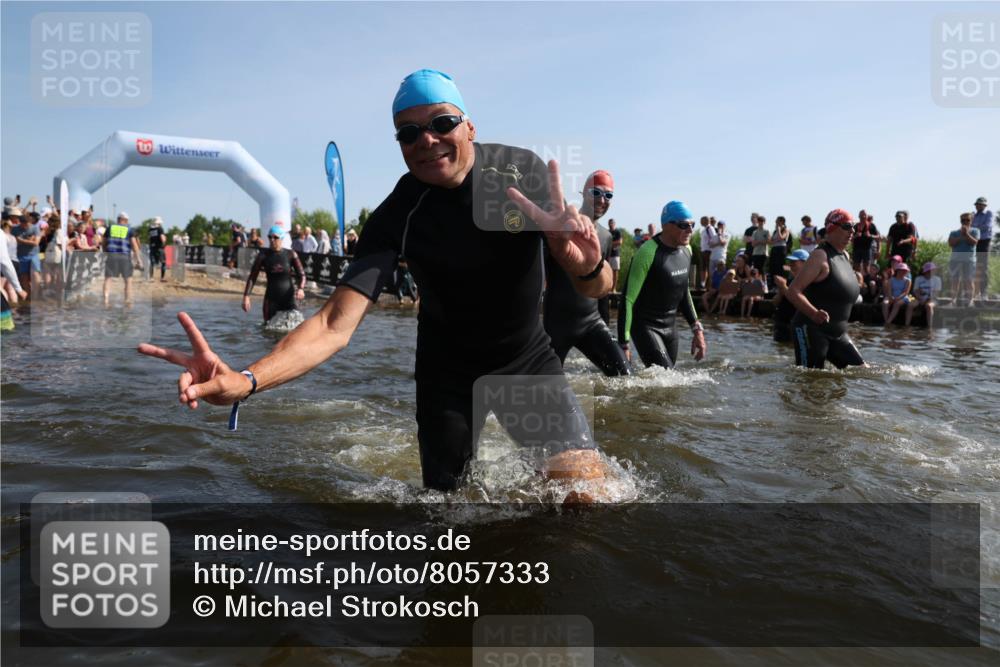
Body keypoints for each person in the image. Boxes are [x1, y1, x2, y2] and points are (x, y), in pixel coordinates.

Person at [139, 69, 613, 495]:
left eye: (441, 123)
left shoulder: (522, 173)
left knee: (586, 493)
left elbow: (597, 289)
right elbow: (332, 326)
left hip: (525, 360)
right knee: (446, 518)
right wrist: (247, 380)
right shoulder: (397, 214)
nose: (427, 140)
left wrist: (586, 266)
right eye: (409, 133)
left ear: (470, 125)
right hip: (446, 375)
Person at [543, 170, 628, 377]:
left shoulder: (606, 236)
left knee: (623, 376)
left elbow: (602, 290)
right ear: (583, 193)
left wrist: (612, 334)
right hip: (556, 324)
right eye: (596, 192)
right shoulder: (563, 226)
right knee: (543, 390)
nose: (602, 199)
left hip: (591, 322)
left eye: (608, 195)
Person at [617, 200, 707, 368]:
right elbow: (627, 300)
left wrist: (697, 329)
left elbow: (684, 292)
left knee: (667, 382)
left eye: (692, 225)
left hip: (670, 326)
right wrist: (624, 343)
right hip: (646, 326)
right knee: (663, 376)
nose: (690, 230)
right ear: (667, 226)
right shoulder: (647, 253)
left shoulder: (687, 250)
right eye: (683, 225)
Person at [786, 209, 865, 369]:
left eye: (854, 227)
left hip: (838, 334)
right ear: (831, 228)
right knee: (810, 379)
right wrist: (813, 313)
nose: (852, 231)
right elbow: (793, 291)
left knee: (862, 373)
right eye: (847, 226)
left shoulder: (845, 256)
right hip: (810, 328)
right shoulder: (820, 256)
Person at [242, 225, 306, 322]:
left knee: (295, 329)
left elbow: (302, 275)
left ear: (281, 239)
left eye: (275, 237)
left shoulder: (290, 254)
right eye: (270, 237)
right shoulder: (263, 255)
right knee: (268, 330)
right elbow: (252, 277)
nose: (272, 240)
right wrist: (246, 296)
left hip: (289, 299)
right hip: (271, 299)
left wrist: (301, 288)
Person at [103, 212, 141, 305]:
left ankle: (105, 300)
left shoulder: (110, 228)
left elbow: (103, 242)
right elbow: (134, 245)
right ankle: (127, 301)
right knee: (128, 280)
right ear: (126, 220)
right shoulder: (129, 229)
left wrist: (105, 253)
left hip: (111, 255)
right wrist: (138, 259)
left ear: (118, 219)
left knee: (108, 278)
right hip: (125, 257)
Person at [772, 249, 808, 342]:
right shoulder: (789, 281)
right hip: (781, 325)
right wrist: (781, 289)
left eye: (794, 262)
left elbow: (798, 302)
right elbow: (775, 302)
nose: (791, 264)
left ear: (805, 263)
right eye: (790, 262)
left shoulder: (809, 283)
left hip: (796, 327)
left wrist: (783, 287)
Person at [948, 212, 980, 307]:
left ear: (971, 220)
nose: (965, 222)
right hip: (955, 260)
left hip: (969, 260)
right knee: (955, 280)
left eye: (967, 220)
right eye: (963, 220)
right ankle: (952, 300)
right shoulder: (954, 232)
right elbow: (951, 243)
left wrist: (966, 234)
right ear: (960, 221)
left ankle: (970, 300)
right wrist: (961, 236)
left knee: (969, 280)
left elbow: (974, 242)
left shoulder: (975, 231)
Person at [11, 208, 41, 298]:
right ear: (20, 222)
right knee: (24, 277)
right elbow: (14, 241)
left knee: (35, 275)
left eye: (27, 224)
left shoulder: (35, 228)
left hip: (33, 255)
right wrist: (28, 240)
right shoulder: (15, 229)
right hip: (21, 256)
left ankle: (36, 295)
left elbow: (36, 243)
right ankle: (28, 296)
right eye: (24, 224)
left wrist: (21, 240)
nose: (26, 226)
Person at [971, 196, 993, 302]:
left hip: (984, 242)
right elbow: (970, 228)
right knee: (972, 267)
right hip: (974, 242)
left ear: (984, 205)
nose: (978, 206)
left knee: (983, 267)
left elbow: (986, 226)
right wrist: (976, 227)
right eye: (977, 204)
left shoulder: (988, 214)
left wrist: (974, 227)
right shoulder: (973, 215)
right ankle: (974, 292)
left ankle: (984, 293)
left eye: (980, 204)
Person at [907, 262, 941, 327]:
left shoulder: (937, 279)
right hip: (919, 298)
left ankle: (929, 326)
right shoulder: (918, 278)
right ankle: (907, 325)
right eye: (929, 271)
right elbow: (915, 291)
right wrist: (919, 298)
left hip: (932, 299)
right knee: (910, 305)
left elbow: (936, 293)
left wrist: (927, 299)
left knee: (929, 306)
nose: (930, 272)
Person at [881, 261, 913, 326]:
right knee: (885, 303)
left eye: (905, 271)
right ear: (897, 271)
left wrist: (898, 298)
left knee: (897, 304)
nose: (903, 272)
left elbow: (906, 292)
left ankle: (888, 322)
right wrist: (890, 297)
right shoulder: (891, 280)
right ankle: (886, 320)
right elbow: (889, 291)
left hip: (903, 297)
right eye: (902, 270)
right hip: (892, 296)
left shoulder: (908, 281)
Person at [851, 210, 880, 275]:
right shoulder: (856, 226)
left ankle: (867, 281)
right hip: (856, 249)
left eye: (864, 215)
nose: (863, 217)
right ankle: (857, 281)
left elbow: (878, 237)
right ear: (859, 216)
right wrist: (856, 236)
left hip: (867, 249)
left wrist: (870, 235)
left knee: (866, 267)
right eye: (861, 215)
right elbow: (850, 238)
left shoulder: (871, 225)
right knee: (856, 267)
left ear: (867, 216)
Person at [768, 216, 789, 288]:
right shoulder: (775, 231)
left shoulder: (785, 230)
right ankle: (773, 285)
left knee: (781, 266)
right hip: (774, 249)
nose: (776, 223)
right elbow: (770, 241)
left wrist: (779, 230)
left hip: (781, 249)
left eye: (777, 221)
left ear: (781, 222)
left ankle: (783, 284)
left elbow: (781, 238)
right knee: (773, 267)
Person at [698, 216, 717, 289]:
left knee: (709, 268)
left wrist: (710, 244)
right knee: (703, 267)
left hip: (708, 251)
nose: (700, 222)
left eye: (701, 220)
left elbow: (714, 238)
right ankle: (703, 283)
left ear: (706, 221)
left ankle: (709, 284)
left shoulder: (710, 228)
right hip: (703, 250)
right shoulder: (704, 230)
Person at [148, 216, 167, 281]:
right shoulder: (160, 229)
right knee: (163, 262)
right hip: (159, 248)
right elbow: (162, 238)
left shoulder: (150, 229)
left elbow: (149, 238)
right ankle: (162, 278)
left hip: (152, 247)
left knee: (152, 263)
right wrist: (164, 241)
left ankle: (151, 277)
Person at [607, 218, 622, 288]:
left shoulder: (617, 232)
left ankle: (614, 288)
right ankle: (608, 288)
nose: (610, 224)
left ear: (614, 224)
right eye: (609, 223)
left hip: (616, 254)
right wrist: (612, 244)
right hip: (608, 255)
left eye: (612, 223)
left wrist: (610, 244)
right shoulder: (607, 232)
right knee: (608, 272)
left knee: (615, 272)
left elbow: (620, 242)